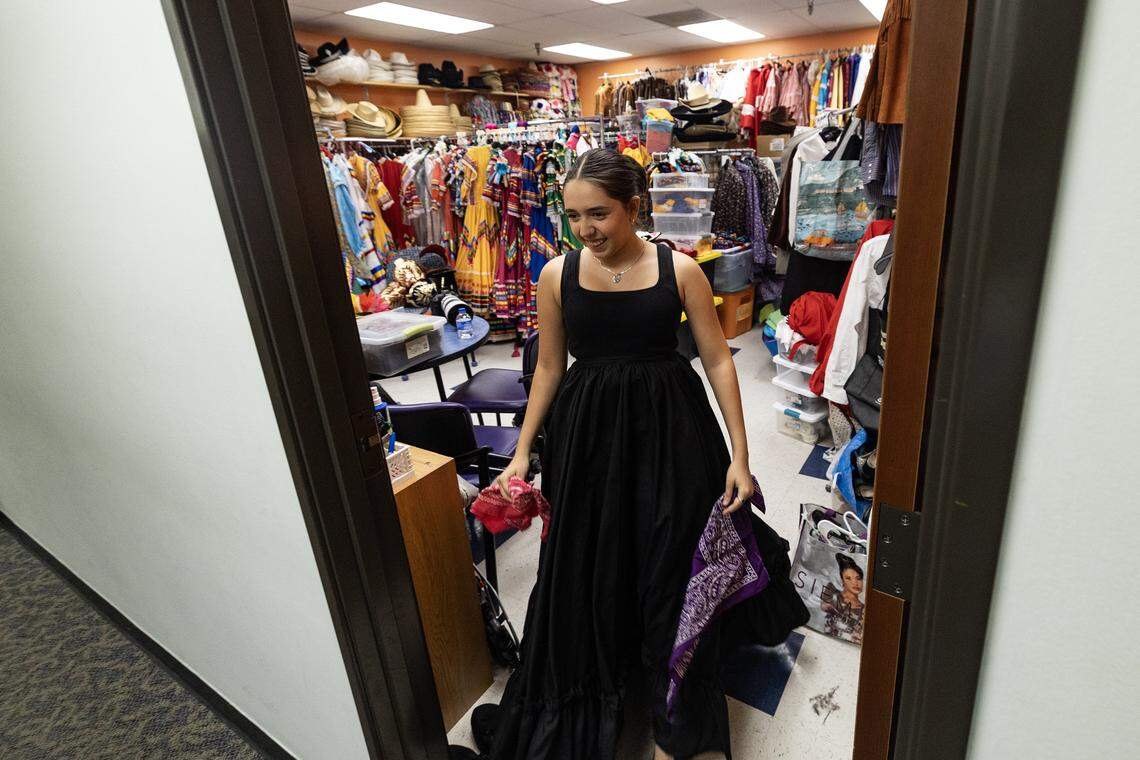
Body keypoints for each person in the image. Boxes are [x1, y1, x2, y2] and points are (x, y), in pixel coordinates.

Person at [486, 149, 805, 760]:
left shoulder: (679, 269)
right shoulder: (556, 275)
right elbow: (551, 366)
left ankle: (679, 714)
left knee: (671, 557)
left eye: (600, 214)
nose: (587, 230)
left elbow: (717, 360)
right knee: (593, 557)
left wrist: (740, 454)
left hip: (672, 430)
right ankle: (605, 687)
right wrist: (523, 452)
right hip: (588, 436)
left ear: (634, 206)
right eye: (575, 216)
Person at [821, 554, 865, 643]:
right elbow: (824, 606)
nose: (855, 583)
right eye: (848, 578)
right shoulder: (831, 589)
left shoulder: (864, 609)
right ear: (842, 581)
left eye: (858, 578)